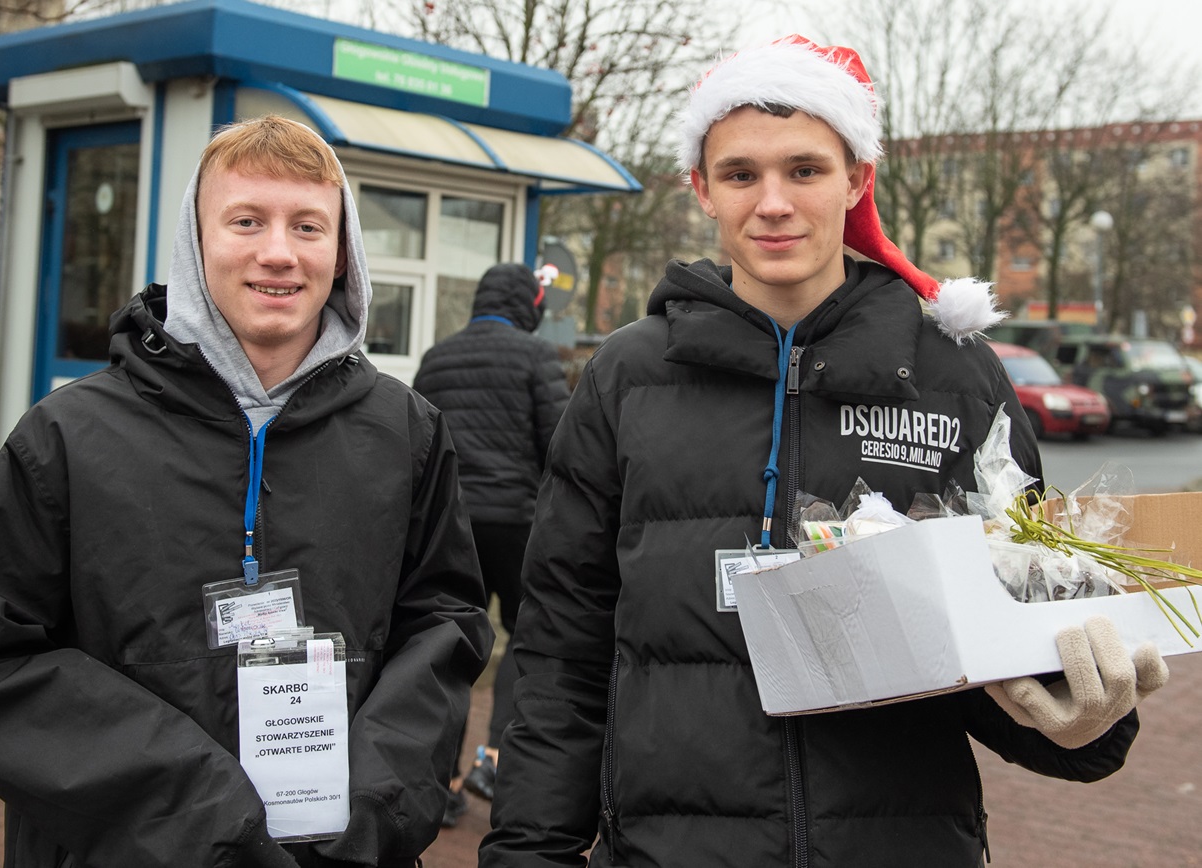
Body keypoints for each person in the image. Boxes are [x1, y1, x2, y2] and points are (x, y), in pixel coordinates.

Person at [479, 38, 1169, 867]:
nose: (773, 203)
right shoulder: (626, 376)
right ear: (702, 189)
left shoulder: (957, 377)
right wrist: (530, 852)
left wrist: (1082, 719)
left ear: (857, 180)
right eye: (741, 174)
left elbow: (1021, 634)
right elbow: (562, 648)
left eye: (804, 169)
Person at [0, 115, 493, 868]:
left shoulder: (408, 433)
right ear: (195, 240)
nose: (278, 251)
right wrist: (203, 815)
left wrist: (374, 811)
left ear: (342, 251)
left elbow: (442, 626)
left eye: (308, 226)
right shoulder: (67, 438)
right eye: (246, 221)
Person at [412, 263, 571, 825]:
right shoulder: (535, 356)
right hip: (517, 521)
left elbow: (418, 444)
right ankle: (495, 758)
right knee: (527, 634)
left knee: (449, 643)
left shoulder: (436, 358)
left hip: (451, 525)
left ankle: (441, 784)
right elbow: (560, 446)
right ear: (528, 304)